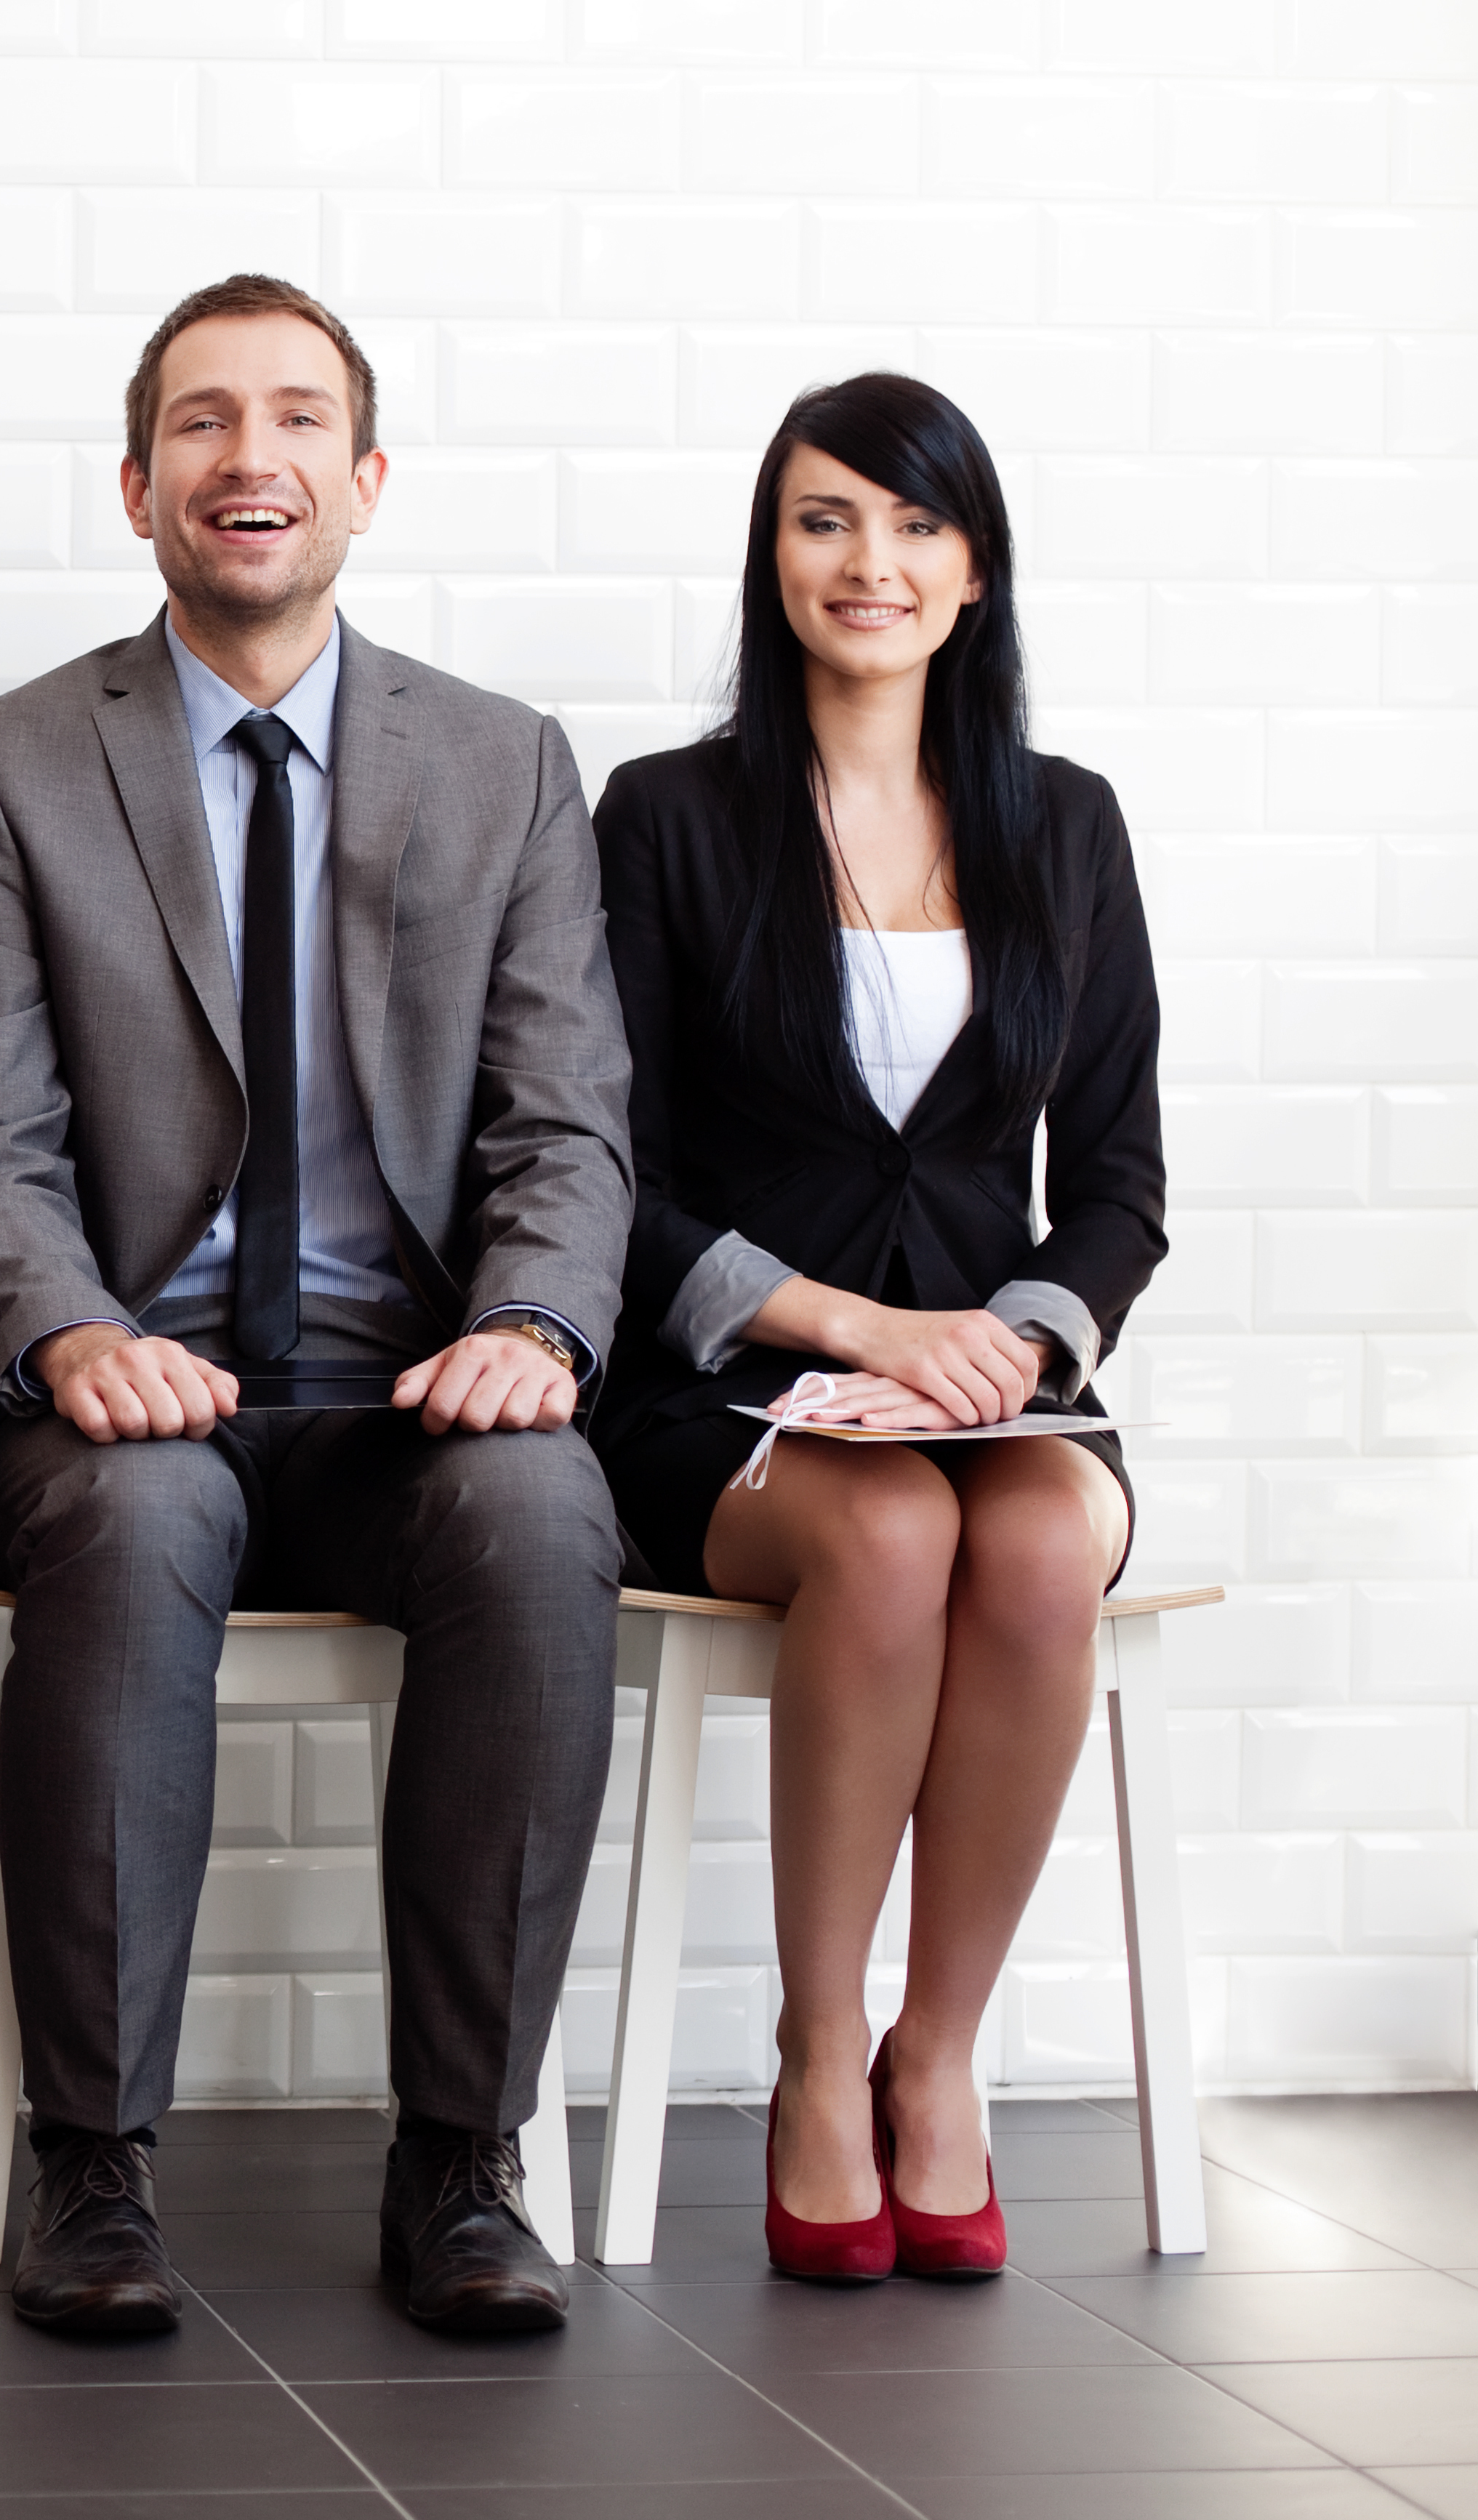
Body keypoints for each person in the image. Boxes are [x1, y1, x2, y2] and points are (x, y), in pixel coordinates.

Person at [0, 275, 632, 2338]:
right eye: (208, 424)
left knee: (541, 1505)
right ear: (139, 481)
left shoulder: (505, 766)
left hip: (402, 1381)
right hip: (125, 1385)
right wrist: (65, 1332)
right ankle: (94, 2162)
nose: (255, 460)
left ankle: (462, 2158)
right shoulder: (11, 762)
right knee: (137, 1515)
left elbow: (566, 1122)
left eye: (299, 420)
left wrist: (536, 1332)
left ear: (367, 477)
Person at [593, 376, 1160, 2285]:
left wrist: (1006, 1337)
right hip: (728, 1385)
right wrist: (855, 1325)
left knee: (1032, 1538)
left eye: (917, 525)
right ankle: (819, 2048)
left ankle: (941, 2050)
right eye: (828, 519)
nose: (873, 562)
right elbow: (618, 1174)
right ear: (772, 556)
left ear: (976, 568)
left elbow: (1124, 1185)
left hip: (995, 1389)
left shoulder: (1066, 831)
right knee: (896, 1527)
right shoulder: (667, 818)